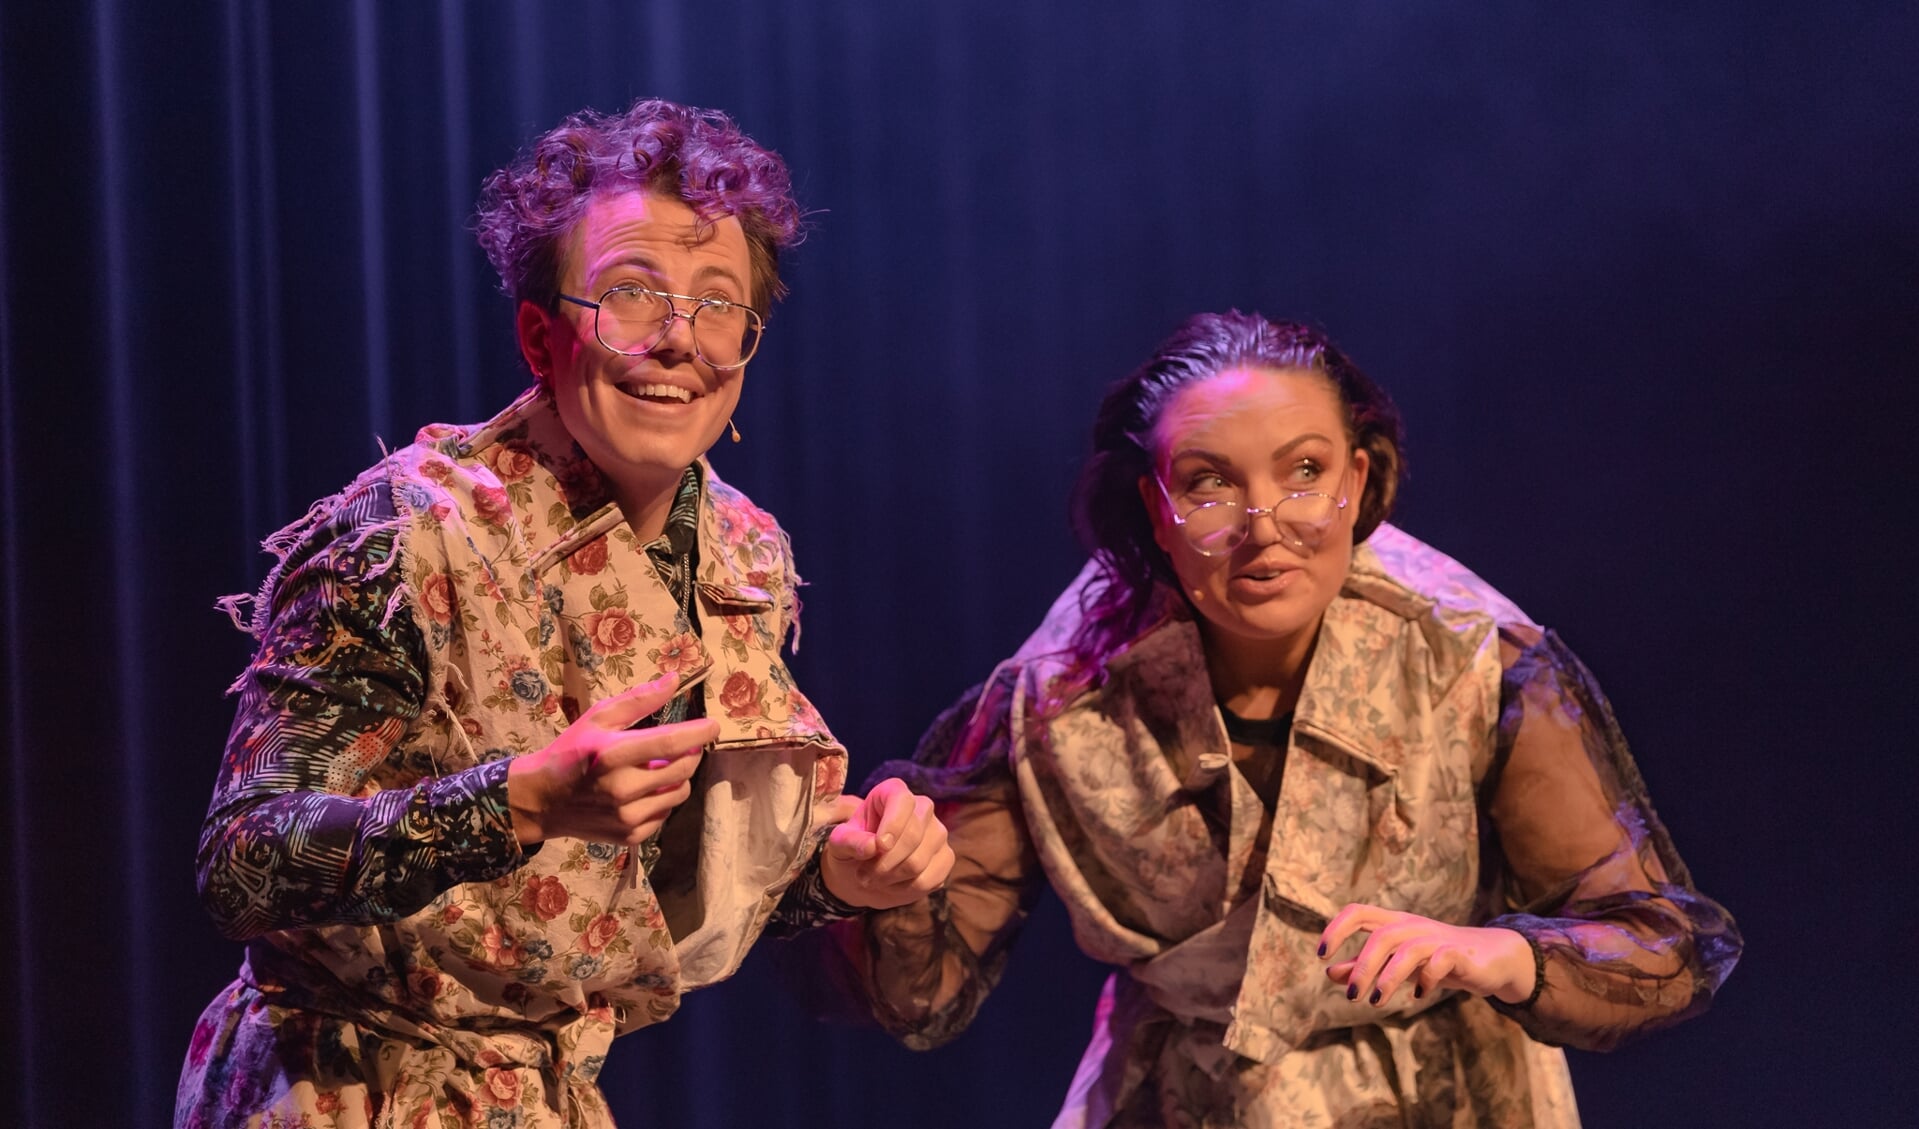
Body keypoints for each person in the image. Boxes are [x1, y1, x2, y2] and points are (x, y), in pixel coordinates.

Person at [177, 99, 953, 1128]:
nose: (677, 340)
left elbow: (647, 894)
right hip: (342, 1089)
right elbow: (244, 862)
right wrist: (520, 801)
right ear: (542, 336)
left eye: (715, 303)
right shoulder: (407, 532)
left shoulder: (744, 552)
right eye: (630, 293)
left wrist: (836, 877)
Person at [792, 313, 1741, 1126]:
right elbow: (921, 983)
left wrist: (1493, 952)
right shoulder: (1063, 690)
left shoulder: (1470, 655)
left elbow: (1663, 943)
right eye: (1208, 482)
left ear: (1358, 482)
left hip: (1448, 1099)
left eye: (1303, 472)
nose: (1264, 523)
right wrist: (886, 883)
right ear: (1155, 509)